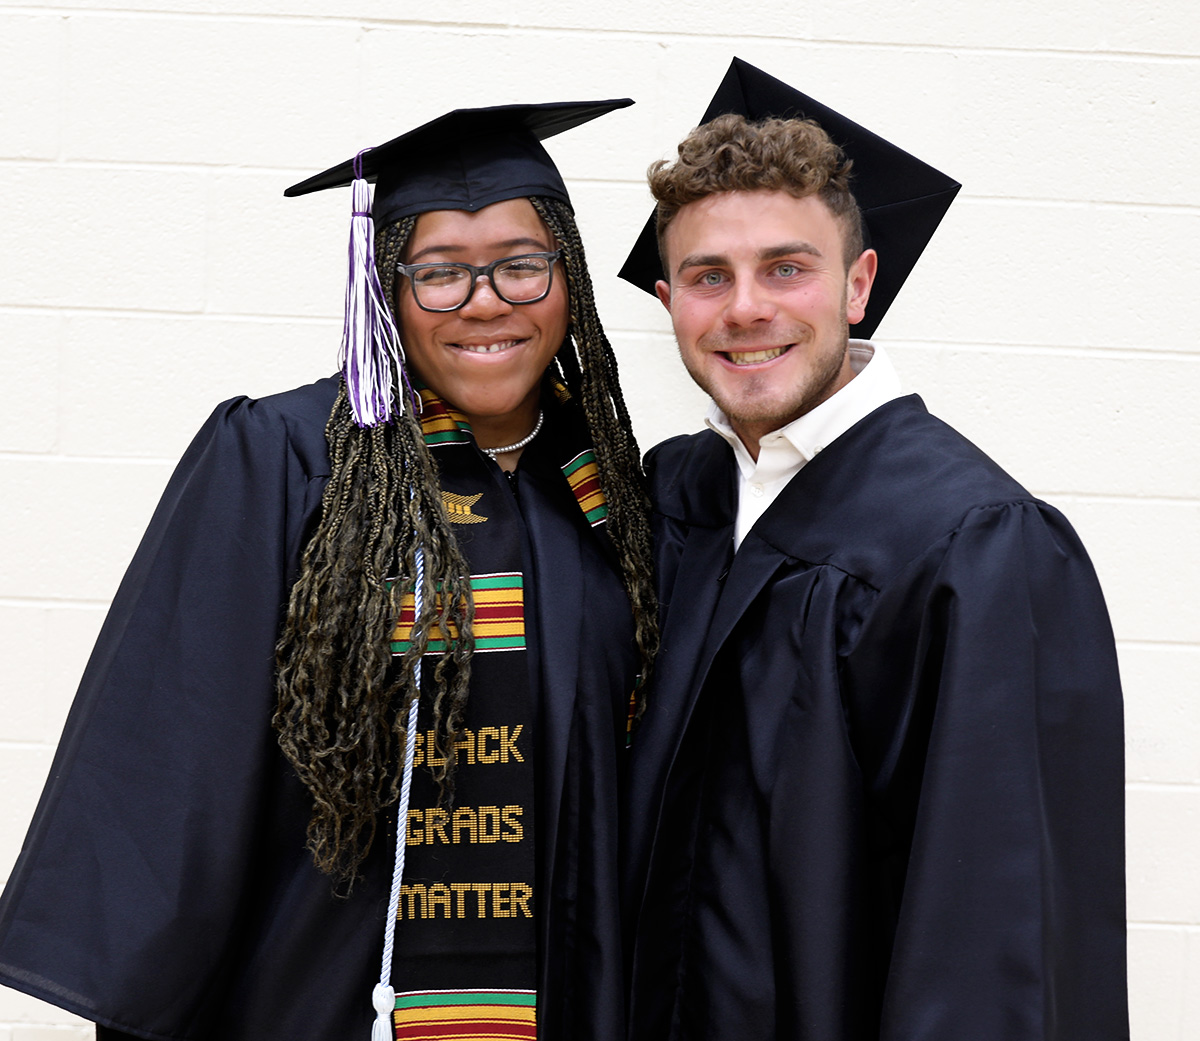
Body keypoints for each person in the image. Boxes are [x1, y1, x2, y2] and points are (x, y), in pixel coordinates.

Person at [0, 99, 657, 1041]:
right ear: (384, 290)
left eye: (521, 264)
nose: (485, 299)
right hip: (323, 1005)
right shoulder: (285, 461)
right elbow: (174, 765)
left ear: (569, 279)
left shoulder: (610, 497)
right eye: (437, 273)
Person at [619, 59, 1127, 1040]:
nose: (745, 308)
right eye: (707, 276)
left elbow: (993, 950)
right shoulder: (676, 497)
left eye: (786, 268)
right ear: (669, 295)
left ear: (859, 283)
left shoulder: (972, 547)